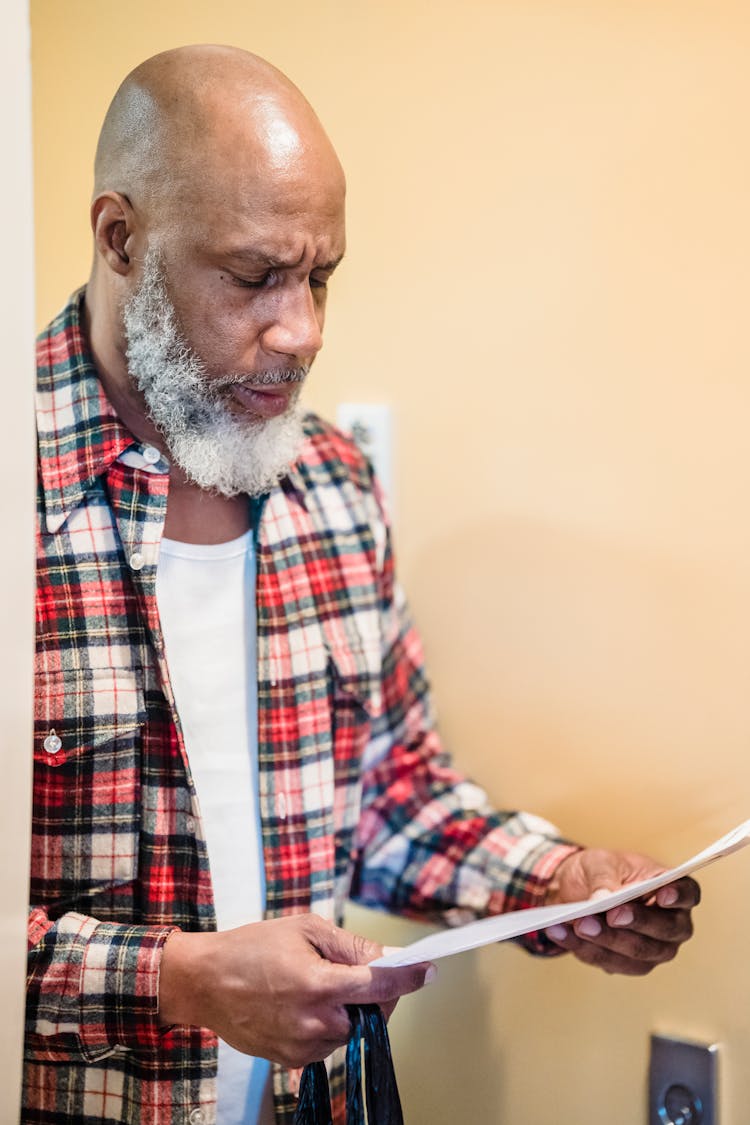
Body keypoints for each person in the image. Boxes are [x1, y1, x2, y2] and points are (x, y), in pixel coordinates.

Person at [28, 44, 700, 1125]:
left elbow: (389, 800)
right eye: (254, 277)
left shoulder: (332, 484)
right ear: (121, 238)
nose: (302, 332)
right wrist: (178, 978)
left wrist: (557, 886)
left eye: (320, 277)